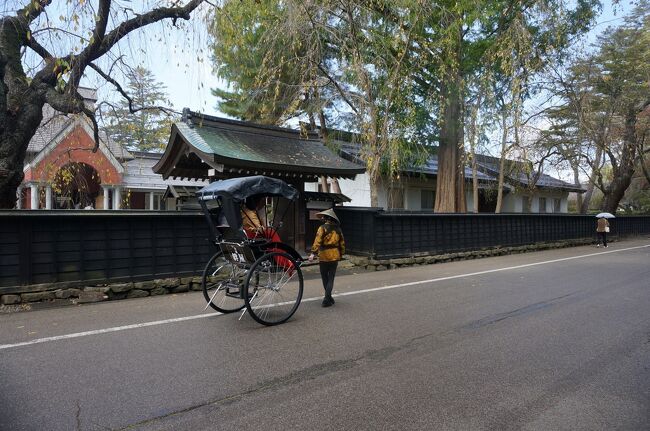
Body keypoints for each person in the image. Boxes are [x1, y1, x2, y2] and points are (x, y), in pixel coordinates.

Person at [309, 208, 345, 307]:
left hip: (324, 255)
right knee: (331, 278)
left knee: (325, 277)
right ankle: (329, 297)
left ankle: (326, 299)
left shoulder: (322, 228)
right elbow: (342, 244)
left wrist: (313, 253)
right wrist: (341, 254)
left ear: (326, 218)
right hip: (335, 255)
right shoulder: (338, 229)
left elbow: (317, 241)